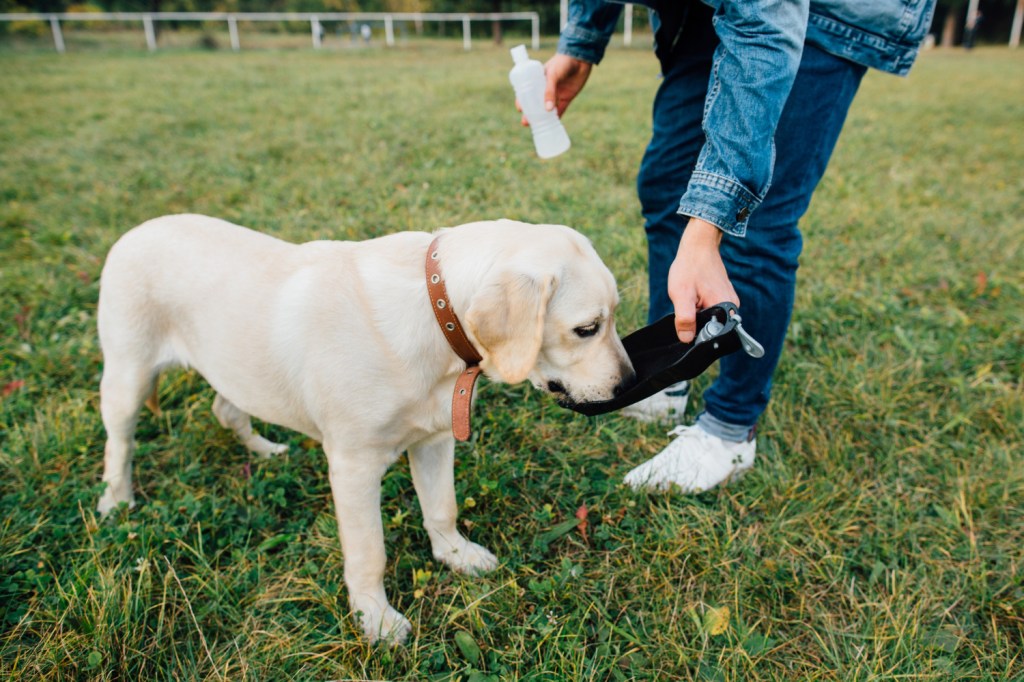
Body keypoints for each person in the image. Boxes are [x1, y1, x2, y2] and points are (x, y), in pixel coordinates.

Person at [542, 0, 936, 493]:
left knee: (758, 214)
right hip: (705, 14)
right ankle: (671, 370)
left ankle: (729, 431)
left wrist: (709, 229)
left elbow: (767, 27)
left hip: (820, 16)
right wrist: (580, 43)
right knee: (667, 183)